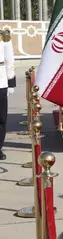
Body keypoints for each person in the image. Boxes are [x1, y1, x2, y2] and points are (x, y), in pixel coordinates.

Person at [0, 30, 16, 161]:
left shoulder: (3, 35)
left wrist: (11, 82)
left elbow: (9, 60)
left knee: (1, 118)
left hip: (0, 82)